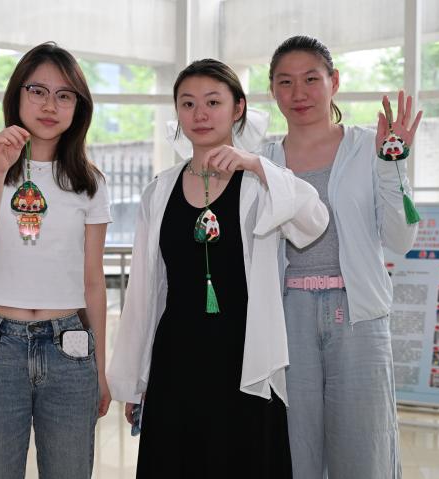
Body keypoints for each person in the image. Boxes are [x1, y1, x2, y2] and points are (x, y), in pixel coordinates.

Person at [107, 58, 329, 478]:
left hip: (244, 358)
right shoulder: (159, 190)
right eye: (188, 104)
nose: (200, 114)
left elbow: (314, 221)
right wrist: (136, 378)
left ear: (237, 107)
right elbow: (145, 293)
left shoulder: (260, 184)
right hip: (176, 359)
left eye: (213, 102)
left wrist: (257, 165)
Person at [262, 35, 422, 478]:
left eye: (311, 79)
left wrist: (393, 164)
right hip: (287, 316)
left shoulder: (370, 147)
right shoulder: (263, 160)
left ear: (334, 82)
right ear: (272, 90)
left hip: (359, 315)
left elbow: (401, 238)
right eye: (285, 82)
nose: (298, 93)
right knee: (294, 449)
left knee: (364, 451)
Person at [0, 42, 111, 479]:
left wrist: (99, 369)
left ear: (79, 106)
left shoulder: (89, 182)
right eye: (38, 91)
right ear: (17, 95)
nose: (50, 105)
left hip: (70, 348)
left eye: (64, 95)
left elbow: (93, 282)